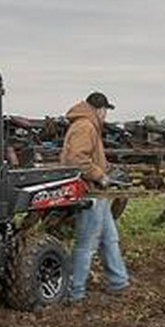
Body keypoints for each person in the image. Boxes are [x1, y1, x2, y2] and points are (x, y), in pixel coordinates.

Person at [61, 91, 130, 301]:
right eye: (106, 111)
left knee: (109, 238)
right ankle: (75, 291)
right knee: (86, 243)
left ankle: (118, 281)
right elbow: (76, 159)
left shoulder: (88, 125)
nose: (105, 116)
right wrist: (101, 176)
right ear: (100, 110)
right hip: (89, 191)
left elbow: (91, 158)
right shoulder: (85, 126)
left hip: (97, 192)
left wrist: (109, 169)